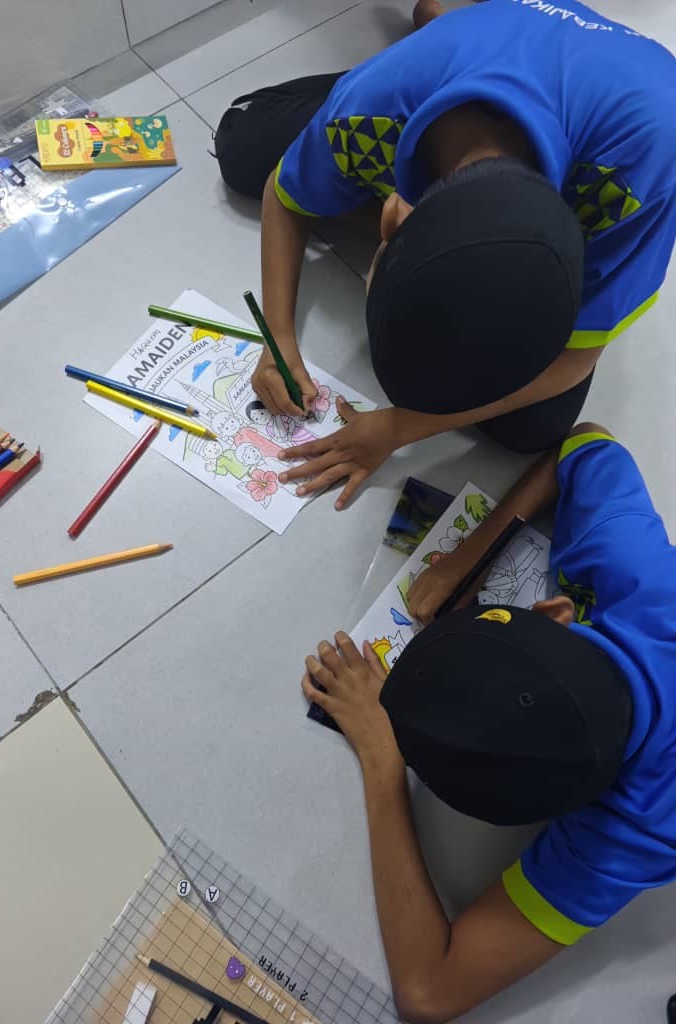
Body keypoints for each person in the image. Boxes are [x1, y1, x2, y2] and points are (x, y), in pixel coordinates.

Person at [214, 0, 676, 509]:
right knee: (241, 150)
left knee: (531, 428)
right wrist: (277, 336)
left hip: (619, 102)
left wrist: (399, 427)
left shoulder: (639, 179)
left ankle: (442, 31)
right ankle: (436, 24)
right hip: (454, 60)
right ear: (390, 216)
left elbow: (579, 357)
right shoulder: (365, 114)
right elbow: (281, 194)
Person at [302, 422, 676, 1022]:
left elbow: (427, 995)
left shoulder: (632, 834)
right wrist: (471, 556)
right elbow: (582, 441)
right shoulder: (640, 577)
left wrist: (381, 760)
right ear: (552, 614)